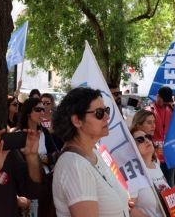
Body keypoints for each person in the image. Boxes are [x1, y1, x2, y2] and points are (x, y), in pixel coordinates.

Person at [51, 86, 142, 217]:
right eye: (99, 113)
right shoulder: (75, 165)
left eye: (106, 110)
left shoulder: (94, 153)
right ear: (77, 121)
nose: (107, 117)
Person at [129, 125, 170, 217]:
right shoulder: (133, 173)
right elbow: (129, 208)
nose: (147, 140)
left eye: (147, 137)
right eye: (140, 140)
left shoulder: (156, 163)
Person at [150, 86, 174, 186]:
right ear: (158, 96)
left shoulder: (171, 110)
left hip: (169, 157)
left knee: (170, 185)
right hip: (154, 158)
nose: (165, 103)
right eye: (164, 100)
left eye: (167, 101)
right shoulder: (150, 111)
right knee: (157, 186)